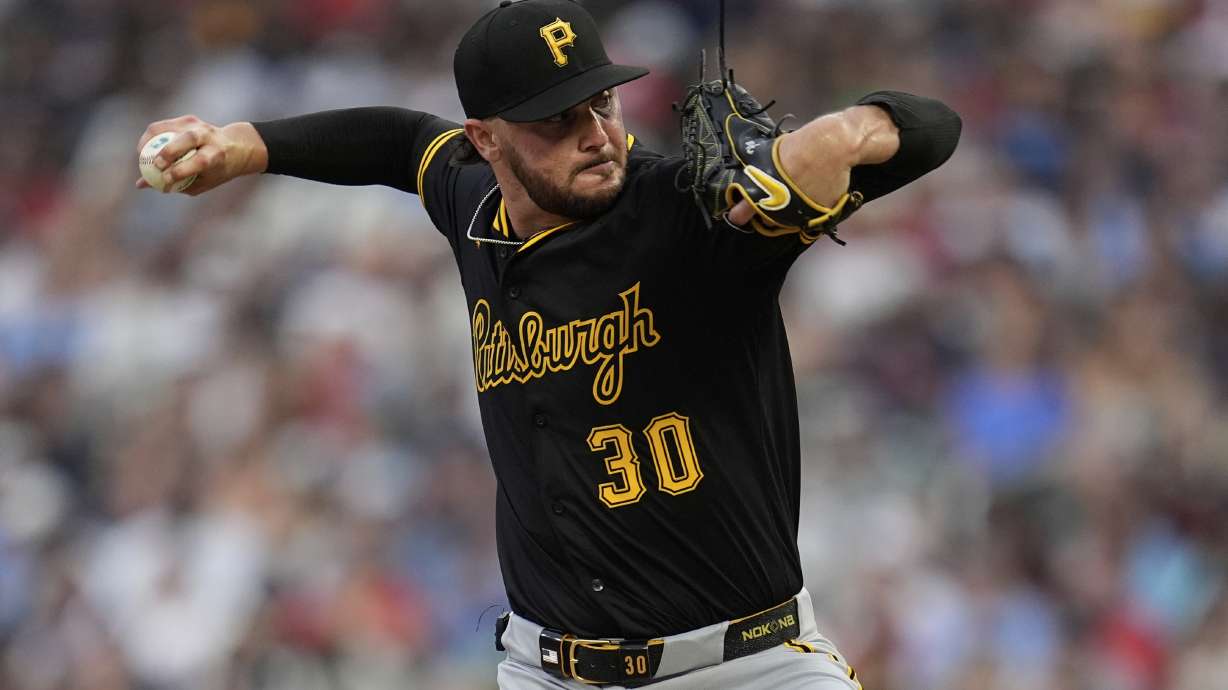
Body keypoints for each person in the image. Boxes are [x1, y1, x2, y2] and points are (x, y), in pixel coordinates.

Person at [136, 0, 961, 687]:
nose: (596, 134)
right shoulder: (468, 201)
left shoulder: (696, 213)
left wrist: (851, 133)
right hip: (549, 670)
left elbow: (936, 129)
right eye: (556, 121)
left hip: (746, 663)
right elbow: (396, 141)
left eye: (601, 103)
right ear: (486, 141)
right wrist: (245, 144)